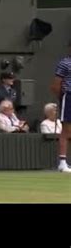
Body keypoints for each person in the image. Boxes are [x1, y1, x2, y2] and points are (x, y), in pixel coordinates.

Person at [50, 40, 71, 172]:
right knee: (67, 130)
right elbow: (56, 85)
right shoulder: (65, 63)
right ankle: (62, 163)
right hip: (69, 96)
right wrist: (62, 98)